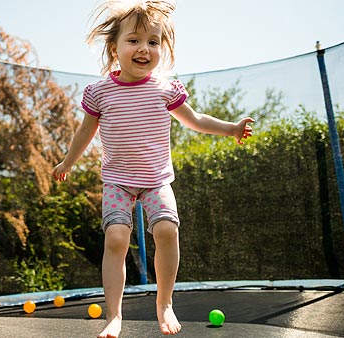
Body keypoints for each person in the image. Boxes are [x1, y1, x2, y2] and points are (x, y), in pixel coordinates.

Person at [51, 1, 254, 337]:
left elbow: (197, 120)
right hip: (118, 181)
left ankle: (165, 303)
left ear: (163, 48)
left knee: (166, 231)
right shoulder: (100, 92)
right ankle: (114, 315)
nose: (144, 48)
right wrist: (68, 161)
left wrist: (231, 128)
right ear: (114, 48)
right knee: (116, 237)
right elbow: (85, 132)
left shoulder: (164, 89)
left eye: (153, 42)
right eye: (134, 40)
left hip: (156, 181)